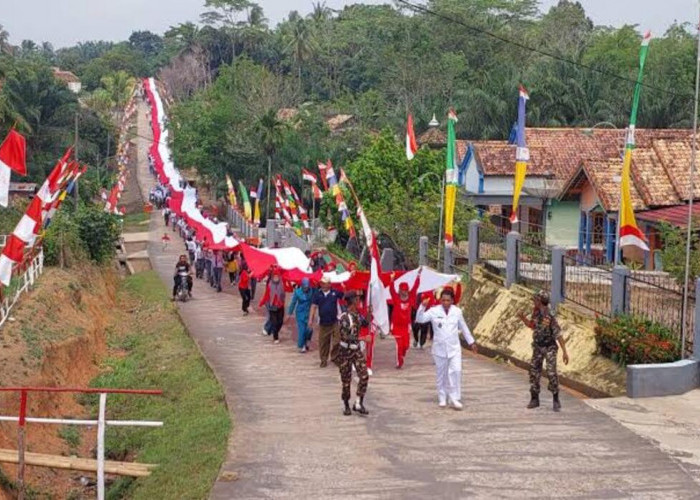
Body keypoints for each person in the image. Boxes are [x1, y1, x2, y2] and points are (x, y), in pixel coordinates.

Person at [416, 287, 478, 410]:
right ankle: (442, 397)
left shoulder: (457, 312)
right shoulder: (434, 311)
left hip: (454, 348)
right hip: (439, 349)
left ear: (452, 301)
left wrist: (471, 342)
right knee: (441, 374)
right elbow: (420, 319)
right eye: (443, 300)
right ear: (440, 301)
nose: (445, 303)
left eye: (448, 300)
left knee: (456, 371)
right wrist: (422, 307)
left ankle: (454, 398)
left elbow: (464, 328)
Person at [518, 291, 569, 412]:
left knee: (551, 373)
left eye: (535, 300)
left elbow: (558, 335)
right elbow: (532, 325)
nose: (534, 302)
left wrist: (564, 352)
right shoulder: (535, 313)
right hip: (537, 347)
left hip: (549, 347)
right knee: (534, 372)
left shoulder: (549, 316)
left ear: (540, 301)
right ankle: (534, 398)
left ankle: (556, 399)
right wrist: (523, 318)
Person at [337, 291, 370, 416]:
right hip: (345, 352)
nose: (359, 301)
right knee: (346, 381)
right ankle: (346, 404)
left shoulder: (358, 315)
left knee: (364, 375)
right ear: (352, 301)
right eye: (357, 299)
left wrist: (369, 313)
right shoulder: (344, 317)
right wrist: (363, 339)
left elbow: (365, 323)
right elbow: (345, 336)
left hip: (356, 350)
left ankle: (358, 402)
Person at [389, 269, 421, 369]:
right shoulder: (396, 298)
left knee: (406, 346)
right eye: (402, 290)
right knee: (399, 345)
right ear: (399, 290)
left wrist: (418, 276)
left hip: (406, 326)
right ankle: (399, 362)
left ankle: (402, 355)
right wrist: (392, 280)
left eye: (405, 290)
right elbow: (391, 290)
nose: (404, 292)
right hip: (397, 326)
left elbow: (416, 287)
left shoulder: (411, 297)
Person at [308, 277, 344, 367]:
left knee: (337, 341)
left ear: (329, 284)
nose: (323, 285)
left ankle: (334, 357)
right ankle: (323, 360)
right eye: (322, 283)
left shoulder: (335, 293)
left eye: (325, 283)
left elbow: (345, 296)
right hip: (323, 323)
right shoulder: (318, 294)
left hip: (334, 322)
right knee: (323, 343)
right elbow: (313, 306)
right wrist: (310, 319)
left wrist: (344, 286)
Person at [258, 270, 286, 344]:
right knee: (274, 322)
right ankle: (275, 337)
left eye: (277, 276)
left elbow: (289, 289)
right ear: (272, 277)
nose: (276, 278)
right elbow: (266, 295)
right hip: (272, 306)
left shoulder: (282, 284)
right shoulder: (270, 285)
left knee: (280, 322)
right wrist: (261, 303)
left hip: (280, 306)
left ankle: (275, 332)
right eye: (274, 277)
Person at [288, 278, 315, 353]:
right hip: (300, 312)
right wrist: (289, 313)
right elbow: (293, 303)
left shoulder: (312, 291)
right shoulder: (297, 292)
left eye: (307, 287)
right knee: (301, 330)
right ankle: (302, 345)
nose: (306, 288)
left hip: (309, 312)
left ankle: (307, 340)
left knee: (309, 329)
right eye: (305, 287)